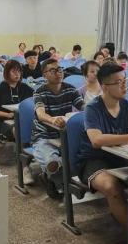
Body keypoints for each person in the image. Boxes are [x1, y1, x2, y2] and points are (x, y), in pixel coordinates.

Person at [76, 63, 128, 229]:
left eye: (125, 81)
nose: (124, 85)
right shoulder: (93, 108)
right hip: (94, 160)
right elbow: (96, 140)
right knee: (112, 187)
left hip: (124, 156)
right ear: (105, 87)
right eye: (119, 82)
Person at [31, 59, 85, 197]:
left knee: (84, 157)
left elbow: (83, 107)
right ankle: (59, 180)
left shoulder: (70, 89)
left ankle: (47, 175)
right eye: (53, 70)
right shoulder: (39, 92)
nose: (58, 73)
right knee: (53, 162)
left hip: (65, 136)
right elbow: (41, 115)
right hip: (44, 136)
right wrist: (53, 120)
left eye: (60, 69)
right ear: (44, 75)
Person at [0, 60, 33, 141]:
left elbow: (33, 101)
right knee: (18, 129)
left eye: (19, 71)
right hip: (5, 121)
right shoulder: (0, 88)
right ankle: (23, 146)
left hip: (23, 118)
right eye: (13, 71)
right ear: (7, 73)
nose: (17, 74)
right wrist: (8, 115)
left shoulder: (25, 87)